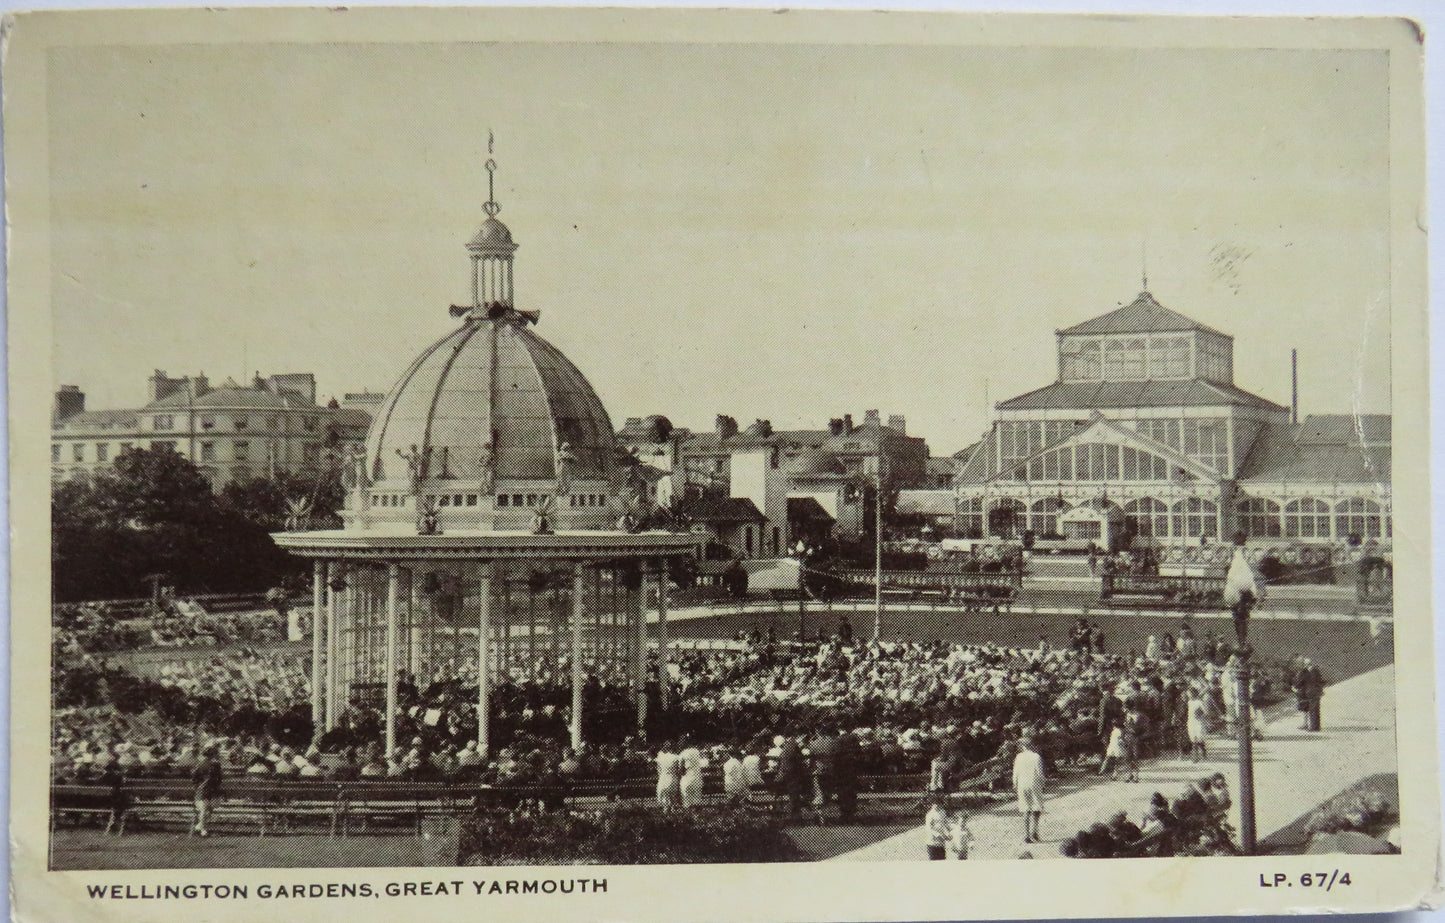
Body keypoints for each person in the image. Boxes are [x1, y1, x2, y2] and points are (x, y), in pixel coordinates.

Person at [1012, 733, 1045, 844]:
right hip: (1034, 783)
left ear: (1023, 746)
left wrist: (1015, 784)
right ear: (1031, 745)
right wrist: (1043, 783)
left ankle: (1026, 835)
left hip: (1022, 784)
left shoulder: (1018, 757)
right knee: (1036, 807)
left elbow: (1015, 773)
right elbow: (1040, 773)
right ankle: (1034, 831)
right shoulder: (1036, 757)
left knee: (1025, 808)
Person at [191, 743, 223, 837]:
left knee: (205, 809)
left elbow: (194, 778)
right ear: (213, 755)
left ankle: (200, 826)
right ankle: (203, 830)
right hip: (210, 791)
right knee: (207, 809)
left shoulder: (200, 764)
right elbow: (219, 779)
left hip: (202, 791)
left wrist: (198, 785)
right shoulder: (216, 765)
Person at [678, 738, 706, 809]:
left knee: (687, 801)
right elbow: (704, 764)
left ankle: (689, 818)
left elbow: (681, 769)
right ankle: (697, 817)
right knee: (697, 801)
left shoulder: (683, 753)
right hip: (697, 778)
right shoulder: (698, 751)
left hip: (687, 778)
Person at [654, 741, 682, 812]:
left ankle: (666, 809)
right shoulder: (676, 757)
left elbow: (658, 770)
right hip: (673, 777)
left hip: (663, 778)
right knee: (673, 794)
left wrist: (661, 776)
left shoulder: (660, 757)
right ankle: (672, 808)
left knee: (665, 795)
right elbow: (678, 769)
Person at [924, 794, 951, 860]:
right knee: (933, 862)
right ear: (931, 804)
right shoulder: (930, 815)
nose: (936, 805)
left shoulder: (942, 812)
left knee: (942, 861)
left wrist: (949, 832)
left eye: (938, 803)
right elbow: (929, 828)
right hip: (932, 842)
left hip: (941, 843)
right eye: (934, 803)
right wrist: (938, 835)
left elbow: (945, 824)